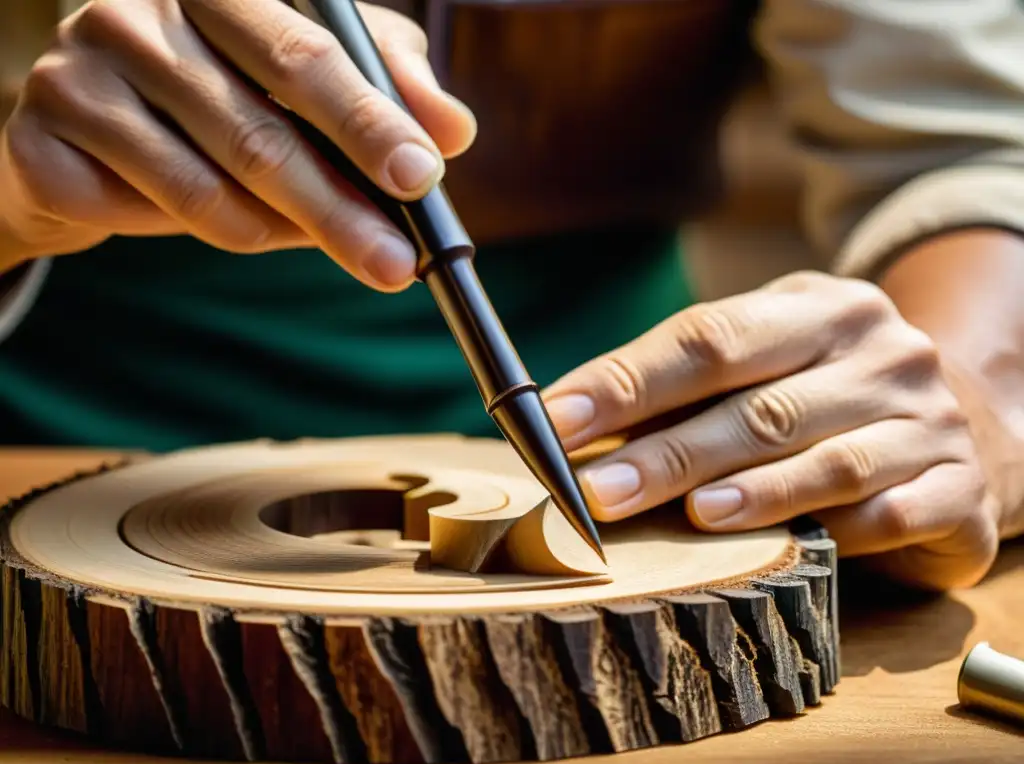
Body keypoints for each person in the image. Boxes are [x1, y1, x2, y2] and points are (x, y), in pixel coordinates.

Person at [1, 0, 1023, 593]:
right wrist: (13, 202)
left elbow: (970, 145)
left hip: (620, 453)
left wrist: (964, 396)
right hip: (44, 420)